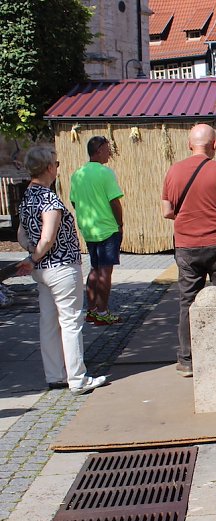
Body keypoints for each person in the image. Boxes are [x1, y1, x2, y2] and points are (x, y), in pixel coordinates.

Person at [16, 147, 108, 395]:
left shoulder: (27, 197)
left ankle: (55, 375)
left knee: (48, 322)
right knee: (70, 322)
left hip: (44, 271)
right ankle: (78, 378)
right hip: (62, 266)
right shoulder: (49, 199)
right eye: (55, 163)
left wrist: (31, 255)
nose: (57, 167)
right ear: (48, 168)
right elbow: (48, 238)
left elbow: (22, 234)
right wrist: (36, 255)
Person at [162, 124, 216, 378]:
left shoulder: (174, 172)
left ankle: (187, 359)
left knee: (187, 301)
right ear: (215, 145)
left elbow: (167, 211)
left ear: (188, 144)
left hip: (187, 245)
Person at [70, 135, 124, 326]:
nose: (110, 152)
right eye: (108, 148)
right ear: (99, 149)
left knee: (94, 269)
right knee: (105, 272)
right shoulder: (105, 173)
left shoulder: (78, 174)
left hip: (88, 229)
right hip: (108, 228)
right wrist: (120, 223)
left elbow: (74, 202)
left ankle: (91, 310)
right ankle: (103, 311)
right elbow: (114, 201)